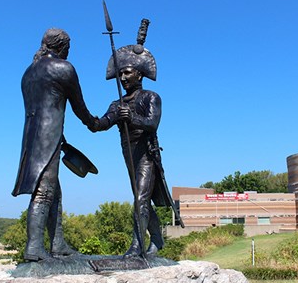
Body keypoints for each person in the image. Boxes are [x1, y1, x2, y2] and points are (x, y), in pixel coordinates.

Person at [12, 28, 96, 261]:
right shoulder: (63, 69)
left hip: (33, 138)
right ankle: (34, 247)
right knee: (44, 192)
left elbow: (46, 108)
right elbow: (79, 107)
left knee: (54, 191)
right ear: (61, 47)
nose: (69, 52)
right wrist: (95, 123)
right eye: (68, 47)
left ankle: (58, 243)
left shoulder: (29, 72)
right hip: (47, 139)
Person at [90, 43, 181, 257]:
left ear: (139, 75)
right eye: (120, 73)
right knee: (142, 198)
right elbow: (105, 122)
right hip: (128, 153)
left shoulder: (151, 97)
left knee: (140, 198)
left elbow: (152, 123)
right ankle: (157, 240)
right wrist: (89, 120)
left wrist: (131, 117)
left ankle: (137, 245)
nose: (122, 78)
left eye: (127, 72)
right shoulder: (117, 103)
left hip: (146, 154)